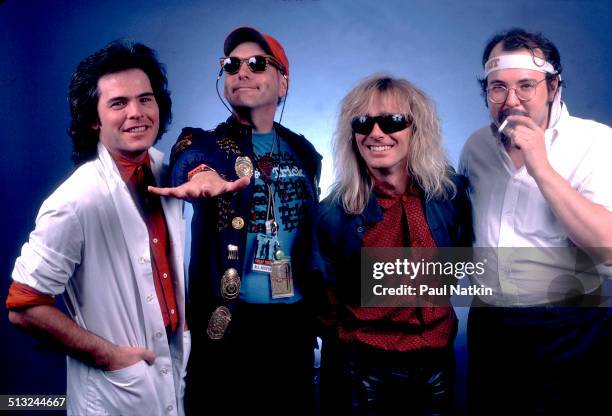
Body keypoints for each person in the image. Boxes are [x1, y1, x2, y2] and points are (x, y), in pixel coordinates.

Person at [5, 41, 189, 416]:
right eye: (118, 103)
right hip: (114, 393)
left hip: (168, 377)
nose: (136, 113)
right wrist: (109, 357)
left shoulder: (165, 170)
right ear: (94, 119)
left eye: (145, 99)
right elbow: (23, 307)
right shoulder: (75, 200)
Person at [150, 27, 321, 414]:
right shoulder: (205, 142)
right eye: (231, 65)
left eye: (257, 63)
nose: (241, 71)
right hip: (229, 325)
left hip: (293, 323)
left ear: (283, 82)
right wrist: (201, 177)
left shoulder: (303, 150)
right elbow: (188, 157)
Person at [459, 28, 612, 415]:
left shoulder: (595, 142)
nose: (512, 101)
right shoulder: (476, 146)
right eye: (498, 88)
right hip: (490, 326)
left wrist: (541, 166)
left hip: (567, 328)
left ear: (554, 85)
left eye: (526, 85)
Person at [309, 75, 472, 415]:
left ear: (417, 129)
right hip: (362, 371)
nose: (376, 133)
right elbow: (324, 305)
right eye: (363, 122)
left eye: (393, 120)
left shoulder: (449, 195)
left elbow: (459, 263)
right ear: (353, 136)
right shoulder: (332, 214)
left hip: (436, 366)